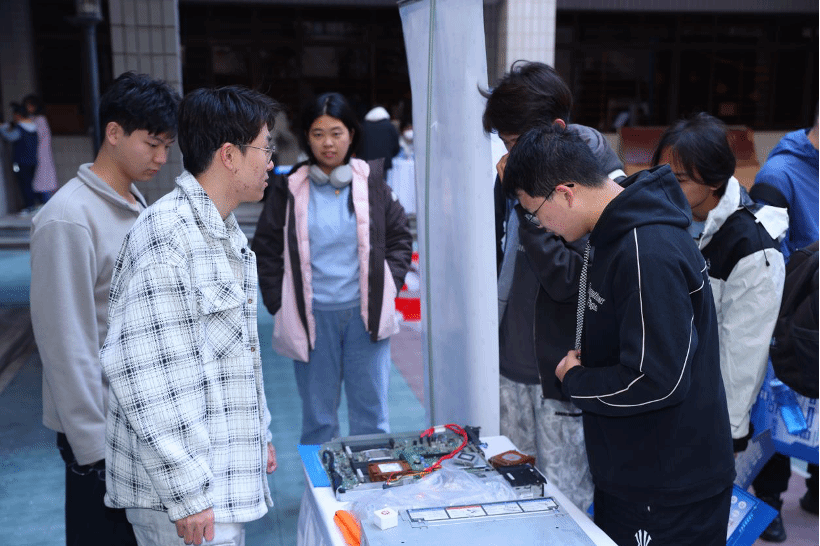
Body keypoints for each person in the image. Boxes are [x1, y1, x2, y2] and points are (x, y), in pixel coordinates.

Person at [502, 124, 735, 545]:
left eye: (535, 214)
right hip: (636, 470)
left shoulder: (647, 249)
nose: (542, 227)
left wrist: (576, 381)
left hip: (667, 485)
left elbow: (658, 380)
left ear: (565, 193)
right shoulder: (613, 232)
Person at [99, 86, 280, 546]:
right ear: (229, 156)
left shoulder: (221, 231)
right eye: (265, 148)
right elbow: (144, 374)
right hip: (184, 502)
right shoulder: (168, 236)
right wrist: (186, 493)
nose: (271, 161)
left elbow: (235, 357)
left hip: (216, 484)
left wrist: (258, 434)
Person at [29, 72, 180, 546]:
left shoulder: (132, 202)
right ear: (114, 133)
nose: (161, 158)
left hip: (140, 422)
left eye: (167, 146)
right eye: (151, 144)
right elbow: (64, 343)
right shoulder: (68, 218)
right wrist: (94, 447)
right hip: (102, 435)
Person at [479, 60, 625, 511]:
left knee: (567, 504)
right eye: (505, 144)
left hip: (565, 374)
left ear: (556, 129)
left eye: (516, 143)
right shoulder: (514, 177)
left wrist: (528, 208)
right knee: (512, 495)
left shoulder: (598, 187)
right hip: (511, 363)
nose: (509, 157)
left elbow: (569, 280)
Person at [252, 92, 412, 445]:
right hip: (312, 318)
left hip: (365, 317)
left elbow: (400, 237)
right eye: (318, 133)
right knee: (318, 420)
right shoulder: (289, 188)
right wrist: (279, 304)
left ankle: (370, 479)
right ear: (306, 137)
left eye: (336, 133)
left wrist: (388, 286)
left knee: (372, 417)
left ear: (351, 134)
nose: (328, 143)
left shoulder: (372, 183)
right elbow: (265, 249)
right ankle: (321, 482)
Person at [652, 113, 788, 455]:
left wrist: (726, 431)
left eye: (679, 179)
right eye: (660, 175)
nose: (665, 187)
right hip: (663, 400)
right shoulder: (664, 217)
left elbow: (742, 353)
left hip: (707, 417)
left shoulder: (752, 248)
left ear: (714, 180)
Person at [750, 107, 820, 542]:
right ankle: (769, 502)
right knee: (778, 411)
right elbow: (766, 256)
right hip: (792, 312)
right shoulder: (779, 176)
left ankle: (815, 490)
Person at [0, 101, 38, 212]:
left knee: (24, 184)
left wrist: (2, 129)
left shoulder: (20, 128)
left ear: (18, 115)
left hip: (21, 161)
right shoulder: (33, 127)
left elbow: (10, 137)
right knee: (29, 184)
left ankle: (29, 207)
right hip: (32, 161)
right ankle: (32, 205)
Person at [23, 93, 59, 202]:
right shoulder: (32, 118)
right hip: (34, 154)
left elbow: (36, 134)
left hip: (42, 153)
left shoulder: (40, 119)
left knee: (44, 180)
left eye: (30, 105)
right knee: (39, 181)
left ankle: (46, 203)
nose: (28, 108)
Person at [357, 104, 400, 172]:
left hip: (365, 162)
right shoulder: (389, 126)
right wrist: (389, 155)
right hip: (383, 163)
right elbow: (396, 146)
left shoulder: (363, 126)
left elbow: (357, 145)